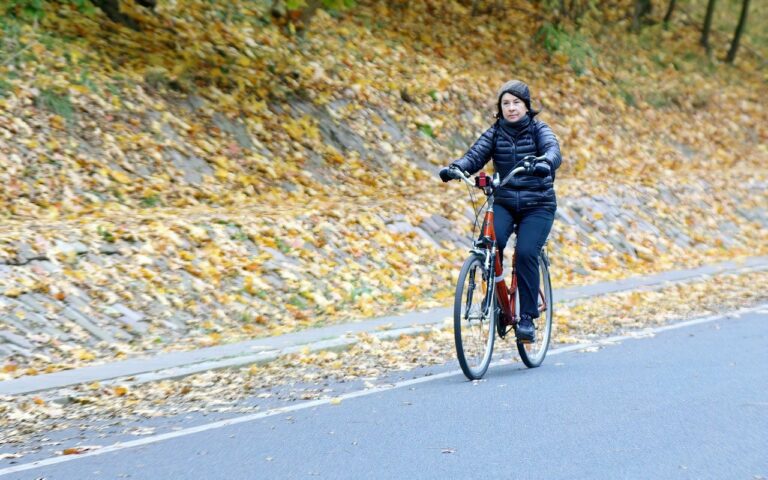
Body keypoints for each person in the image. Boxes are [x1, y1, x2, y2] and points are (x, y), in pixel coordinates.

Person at [439, 79, 561, 343]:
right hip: (505, 201)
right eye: (506, 103)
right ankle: (497, 298)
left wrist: (544, 163)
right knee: (490, 246)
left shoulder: (539, 130)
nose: (511, 108)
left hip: (537, 204)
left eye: (516, 102)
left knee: (526, 252)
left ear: (527, 106)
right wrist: (456, 167)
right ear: (500, 108)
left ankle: (526, 318)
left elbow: (553, 151)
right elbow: (475, 156)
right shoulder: (495, 133)